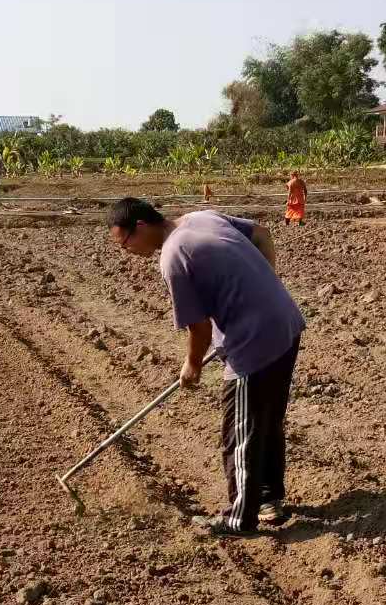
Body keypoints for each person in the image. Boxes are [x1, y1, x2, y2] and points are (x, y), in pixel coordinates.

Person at [109, 198, 304, 536]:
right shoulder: (201, 217)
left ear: (140, 227)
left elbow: (198, 328)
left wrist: (192, 365)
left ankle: (239, 518)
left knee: (238, 434)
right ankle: (268, 499)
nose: (126, 251)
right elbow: (262, 234)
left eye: (125, 243)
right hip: (284, 322)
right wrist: (263, 288)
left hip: (253, 342)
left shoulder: (172, 257)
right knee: (267, 420)